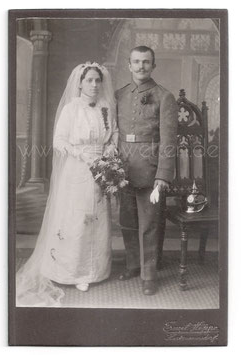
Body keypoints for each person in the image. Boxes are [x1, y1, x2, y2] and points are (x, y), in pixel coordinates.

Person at [16, 62, 118, 306]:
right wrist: (82, 155)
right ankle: (75, 272)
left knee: (99, 216)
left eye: (97, 80)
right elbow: (58, 140)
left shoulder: (106, 107)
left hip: (101, 168)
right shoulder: (72, 109)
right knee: (77, 218)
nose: (94, 85)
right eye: (89, 80)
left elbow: (114, 133)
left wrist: (110, 151)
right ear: (80, 83)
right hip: (78, 169)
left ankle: (96, 270)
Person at [116, 46, 178, 295]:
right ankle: (133, 264)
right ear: (129, 65)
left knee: (149, 224)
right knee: (127, 221)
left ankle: (149, 275)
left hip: (150, 169)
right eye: (136, 62)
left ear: (154, 66)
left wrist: (162, 176)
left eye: (146, 62)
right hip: (121, 168)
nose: (141, 66)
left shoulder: (164, 96)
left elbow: (169, 141)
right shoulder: (119, 94)